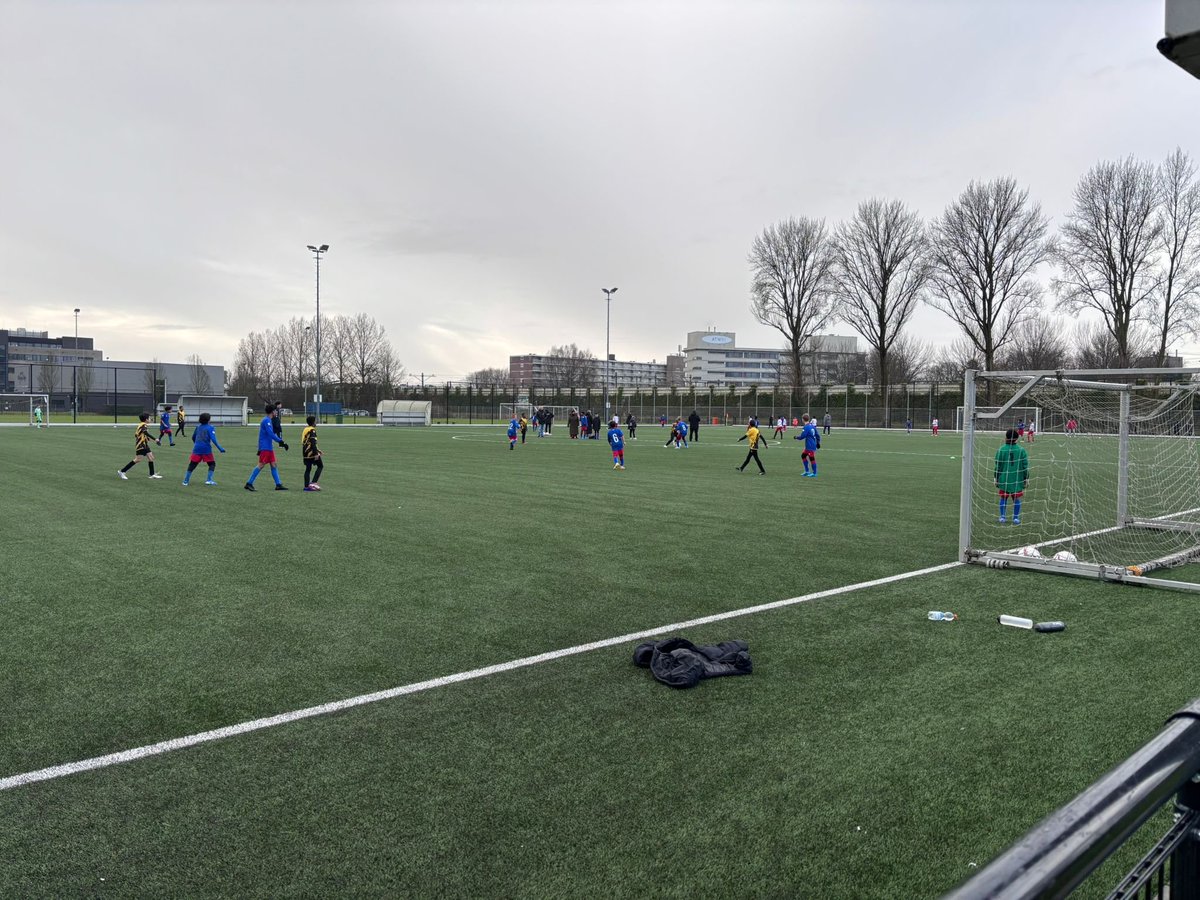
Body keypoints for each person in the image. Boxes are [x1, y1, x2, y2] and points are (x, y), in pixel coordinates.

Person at [245, 403, 289, 491]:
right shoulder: (266, 421)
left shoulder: (268, 420)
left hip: (268, 447)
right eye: (275, 410)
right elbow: (271, 434)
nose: (276, 412)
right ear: (272, 412)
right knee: (261, 465)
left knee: (274, 464)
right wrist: (281, 441)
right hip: (266, 447)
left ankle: (278, 484)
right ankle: (249, 483)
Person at [995, 428, 1030, 524]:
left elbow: (998, 465)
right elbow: (1025, 466)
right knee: (1016, 498)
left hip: (1004, 478)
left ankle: (1002, 517)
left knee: (1003, 498)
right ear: (1017, 438)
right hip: (1017, 479)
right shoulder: (1021, 450)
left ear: (1006, 437)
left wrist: (996, 477)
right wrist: (1026, 478)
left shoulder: (1001, 449)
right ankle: (1015, 518)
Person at [182, 412, 225, 485]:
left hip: (197, 448)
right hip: (206, 449)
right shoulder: (210, 427)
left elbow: (193, 437)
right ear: (208, 420)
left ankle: (185, 481)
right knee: (212, 464)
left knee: (192, 464)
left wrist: (197, 444)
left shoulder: (198, 427)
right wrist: (220, 448)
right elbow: (213, 439)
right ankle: (209, 480)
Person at [117, 412, 162, 480]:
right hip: (141, 445)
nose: (150, 419)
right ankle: (122, 471)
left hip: (145, 445)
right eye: (149, 418)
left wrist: (152, 440)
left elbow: (138, 435)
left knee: (151, 458)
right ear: (146, 419)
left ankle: (152, 474)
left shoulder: (141, 425)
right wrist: (155, 439)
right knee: (138, 459)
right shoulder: (144, 425)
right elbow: (145, 433)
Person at [795, 413, 821, 477]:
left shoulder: (806, 427)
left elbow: (802, 436)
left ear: (803, 420)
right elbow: (818, 435)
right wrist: (818, 443)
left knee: (812, 458)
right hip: (809, 446)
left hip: (810, 446)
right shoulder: (812, 426)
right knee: (803, 456)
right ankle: (807, 471)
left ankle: (814, 473)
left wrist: (796, 437)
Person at [302, 415, 324, 491]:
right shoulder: (312, 430)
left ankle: (306, 487)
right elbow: (313, 443)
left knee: (308, 469)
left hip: (305, 451)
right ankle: (313, 482)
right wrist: (316, 453)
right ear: (313, 422)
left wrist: (318, 450)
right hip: (311, 452)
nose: (316, 422)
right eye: (315, 421)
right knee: (320, 466)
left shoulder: (305, 429)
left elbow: (306, 442)